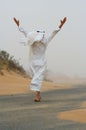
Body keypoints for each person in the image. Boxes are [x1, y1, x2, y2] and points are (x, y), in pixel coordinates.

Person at [13, 17, 67, 102]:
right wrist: (18, 25)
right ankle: (38, 95)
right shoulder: (32, 40)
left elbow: (54, 33)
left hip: (41, 63)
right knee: (36, 78)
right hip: (33, 63)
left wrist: (61, 25)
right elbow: (25, 32)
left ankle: (37, 96)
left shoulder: (45, 40)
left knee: (37, 79)